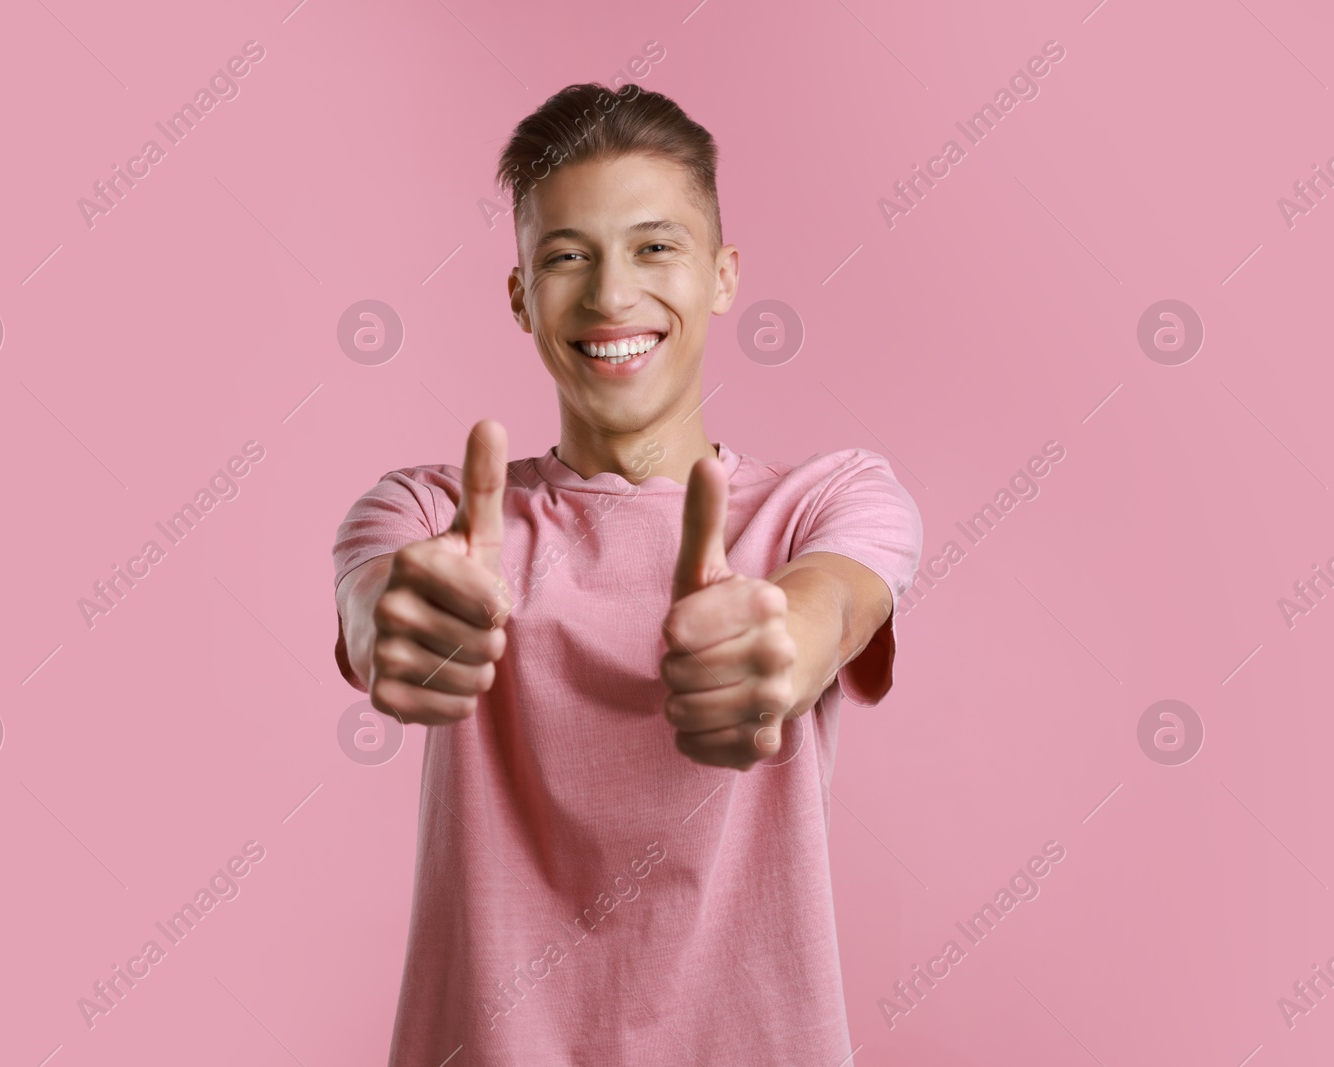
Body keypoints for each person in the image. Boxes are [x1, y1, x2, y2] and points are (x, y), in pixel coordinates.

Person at [332, 82, 923, 1066]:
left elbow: (837, 602)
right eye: (567, 256)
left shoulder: (829, 501)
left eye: (655, 247)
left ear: (722, 274)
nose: (610, 295)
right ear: (520, 293)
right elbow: (375, 606)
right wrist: (397, 624)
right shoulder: (428, 514)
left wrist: (783, 641)